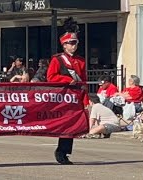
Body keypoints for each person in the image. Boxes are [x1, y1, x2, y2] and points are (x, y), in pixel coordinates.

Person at [46, 17, 88, 165]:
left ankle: (64, 152)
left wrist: (85, 100)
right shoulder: (58, 60)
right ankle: (60, 152)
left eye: (75, 42)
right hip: (62, 97)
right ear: (64, 45)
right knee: (63, 124)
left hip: (75, 97)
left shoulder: (81, 61)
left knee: (71, 126)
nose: (74, 45)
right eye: (71, 43)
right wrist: (66, 80)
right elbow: (51, 77)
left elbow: (83, 82)